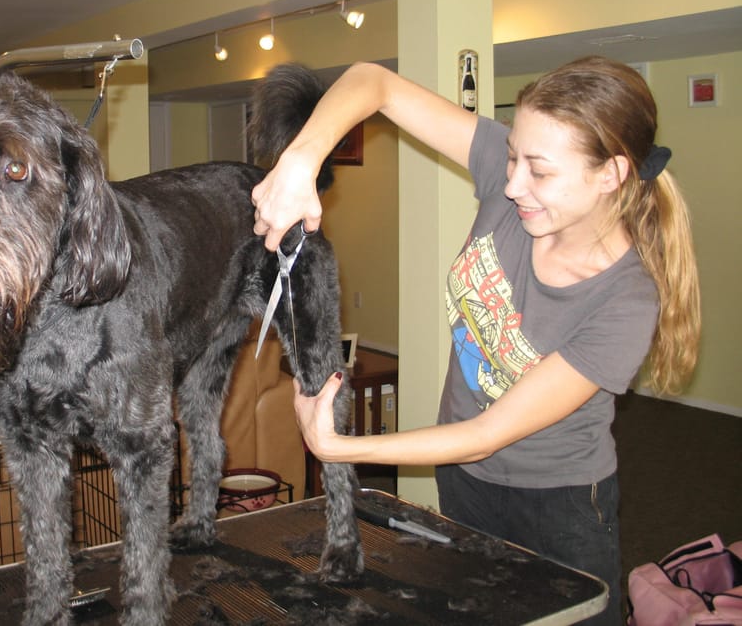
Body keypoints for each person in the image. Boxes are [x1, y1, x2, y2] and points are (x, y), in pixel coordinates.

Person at [251, 56, 701, 625]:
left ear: (610, 173)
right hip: (463, 480)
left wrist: (337, 448)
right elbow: (375, 81)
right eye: (512, 156)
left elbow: (486, 433)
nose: (511, 185)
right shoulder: (515, 187)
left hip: (557, 504)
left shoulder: (625, 301)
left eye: (538, 170)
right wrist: (301, 159)